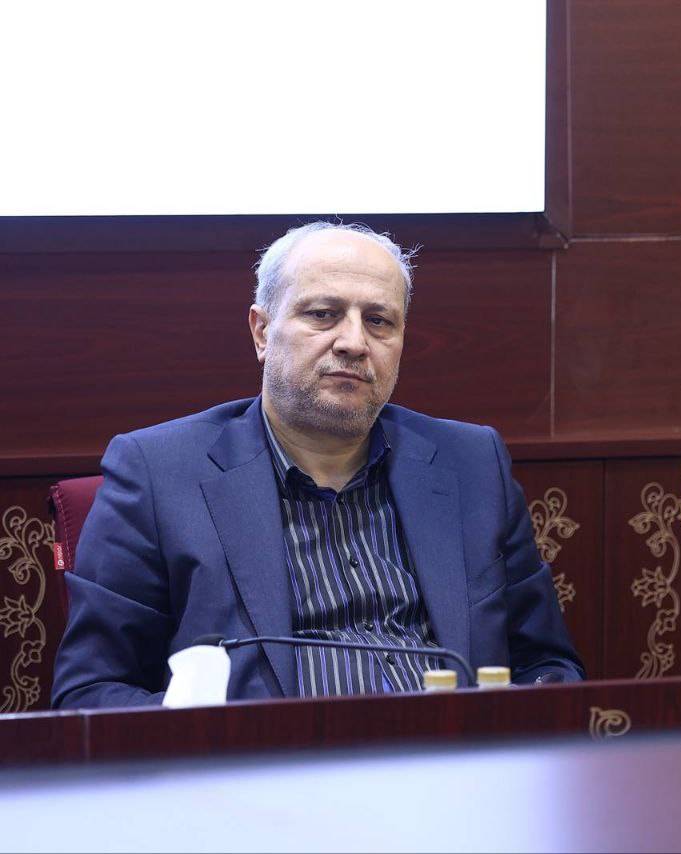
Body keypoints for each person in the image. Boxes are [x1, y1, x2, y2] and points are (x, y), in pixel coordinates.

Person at [53, 222, 584, 708]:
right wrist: (222, 740)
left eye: (378, 321)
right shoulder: (157, 472)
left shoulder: (472, 464)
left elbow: (547, 665)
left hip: (452, 763)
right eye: (323, 314)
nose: (353, 342)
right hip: (264, 768)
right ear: (262, 332)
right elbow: (90, 692)